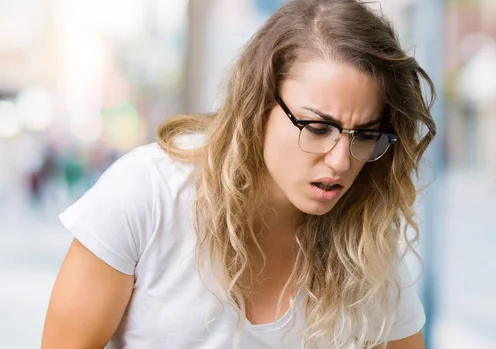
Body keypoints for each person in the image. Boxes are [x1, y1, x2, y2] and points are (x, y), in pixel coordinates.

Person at [42, 0, 436, 348]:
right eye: (317, 128)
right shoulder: (149, 192)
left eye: (365, 135)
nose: (340, 161)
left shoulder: (361, 244)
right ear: (259, 105)